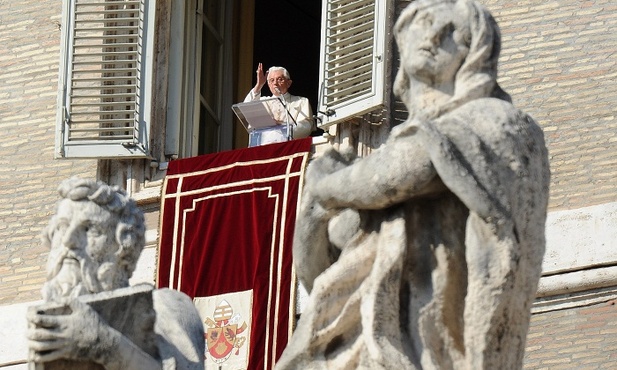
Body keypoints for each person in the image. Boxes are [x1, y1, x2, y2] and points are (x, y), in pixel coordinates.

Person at [276, 0, 550, 369]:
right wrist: (312, 212)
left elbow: (400, 173)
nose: (435, 35)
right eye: (424, 21)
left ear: (476, 51)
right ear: (401, 38)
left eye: (454, 32)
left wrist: (322, 186)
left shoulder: (496, 122)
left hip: (430, 346)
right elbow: (320, 274)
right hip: (361, 350)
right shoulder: (391, 153)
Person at [27, 178, 205, 370]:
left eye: (90, 229)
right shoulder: (34, 330)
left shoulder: (165, 306)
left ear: (123, 246)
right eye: (62, 227)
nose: (69, 241)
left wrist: (106, 345)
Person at [244, 63, 313, 143]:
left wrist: (282, 126)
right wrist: (259, 85)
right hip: (264, 147)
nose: (275, 83)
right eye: (271, 80)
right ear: (268, 84)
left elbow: (306, 127)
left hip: (288, 147)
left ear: (289, 83)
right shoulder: (263, 101)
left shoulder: (301, 101)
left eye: (280, 79)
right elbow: (246, 109)